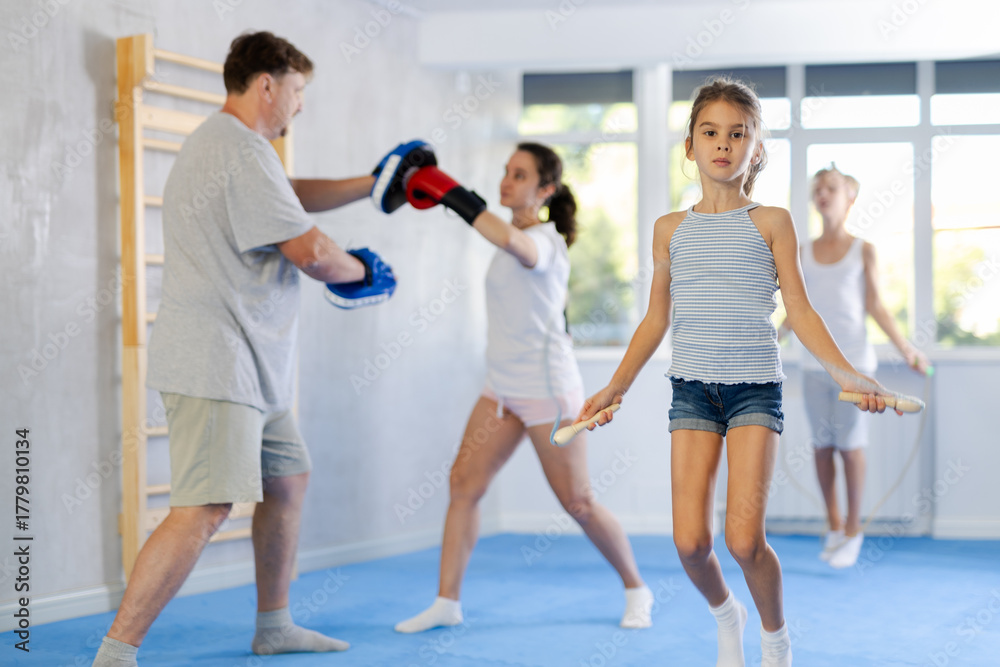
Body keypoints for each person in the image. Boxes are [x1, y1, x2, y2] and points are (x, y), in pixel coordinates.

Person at [92, 31, 393, 666]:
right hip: (219, 362)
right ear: (267, 85)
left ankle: (274, 626)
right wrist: (363, 271)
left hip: (253, 367)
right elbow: (312, 253)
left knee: (287, 479)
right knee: (203, 508)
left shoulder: (234, 148)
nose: (300, 104)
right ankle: (115, 653)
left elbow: (290, 194)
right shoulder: (241, 150)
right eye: (298, 90)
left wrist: (372, 184)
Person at [576, 78, 898, 667]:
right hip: (691, 392)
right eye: (710, 132)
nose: (723, 143)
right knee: (690, 544)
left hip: (755, 389)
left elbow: (800, 311)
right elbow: (655, 319)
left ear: (756, 148)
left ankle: (775, 637)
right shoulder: (669, 230)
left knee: (744, 541)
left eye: (737, 133)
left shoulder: (772, 222)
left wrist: (848, 374)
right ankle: (728, 614)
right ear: (690, 145)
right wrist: (614, 387)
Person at [387, 142, 654, 634]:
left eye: (520, 175)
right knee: (462, 486)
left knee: (578, 502)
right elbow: (506, 241)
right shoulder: (508, 236)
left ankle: (637, 589)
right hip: (501, 390)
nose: (507, 181)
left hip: (548, 392)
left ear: (545, 190)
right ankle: (447, 602)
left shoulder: (546, 243)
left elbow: (518, 245)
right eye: (506, 172)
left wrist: (450, 193)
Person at [778, 165, 929, 569]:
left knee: (850, 447)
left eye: (832, 187)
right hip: (813, 366)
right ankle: (833, 525)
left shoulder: (863, 250)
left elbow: (876, 305)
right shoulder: (801, 252)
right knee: (822, 447)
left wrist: (907, 349)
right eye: (818, 188)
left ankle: (853, 529)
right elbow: (796, 309)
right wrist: (770, 338)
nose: (823, 193)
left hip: (855, 366)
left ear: (850, 197)